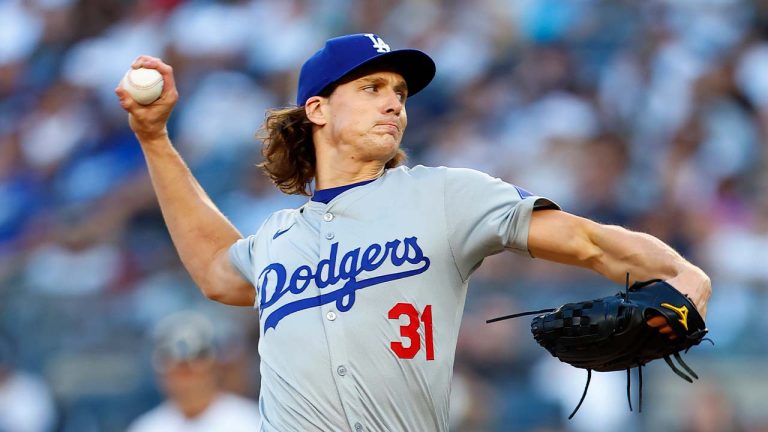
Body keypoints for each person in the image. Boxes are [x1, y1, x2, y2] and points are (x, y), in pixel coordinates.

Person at [115, 33, 712, 432]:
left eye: (399, 92)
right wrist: (153, 139)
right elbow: (216, 268)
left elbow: (588, 241)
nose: (393, 103)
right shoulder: (275, 238)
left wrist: (683, 274)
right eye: (371, 88)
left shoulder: (443, 195)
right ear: (318, 109)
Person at [126, 311, 261, 432]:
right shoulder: (147, 427)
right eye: (177, 373)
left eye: (192, 373)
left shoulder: (250, 422)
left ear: (214, 370)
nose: (186, 384)